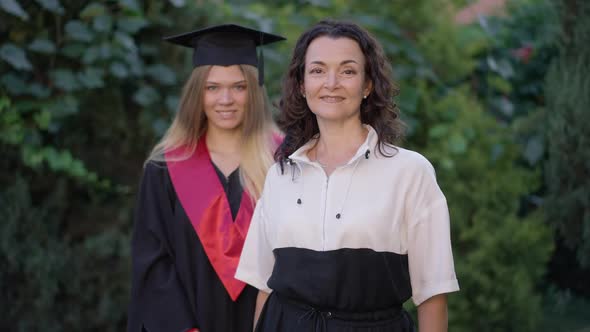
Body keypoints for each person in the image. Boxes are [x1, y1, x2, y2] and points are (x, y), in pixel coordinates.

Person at [235, 20, 459, 332]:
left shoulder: (410, 172)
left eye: (348, 70)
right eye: (317, 70)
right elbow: (264, 286)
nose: (331, 82)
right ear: (301, 84)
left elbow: (433, 294)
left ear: (368, 85)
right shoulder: (281, 175)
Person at [127, 24, 285, 332]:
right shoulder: (164, 169)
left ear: (254, 91)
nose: (225, 99)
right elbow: (154, 263)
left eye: (239, 86)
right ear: (196, 94)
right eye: (212, 87)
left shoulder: (284, 163)